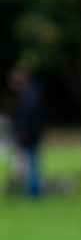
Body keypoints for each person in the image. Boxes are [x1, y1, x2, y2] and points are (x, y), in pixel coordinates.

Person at [7, 65, 44, 197]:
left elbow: (27, 116)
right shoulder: (30, 93)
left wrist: (22, 131)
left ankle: (33, 191)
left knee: (30, 162)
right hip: (30, 134)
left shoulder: (28, 95)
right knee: (31, 162)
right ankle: (32, 189)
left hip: (28, 135)